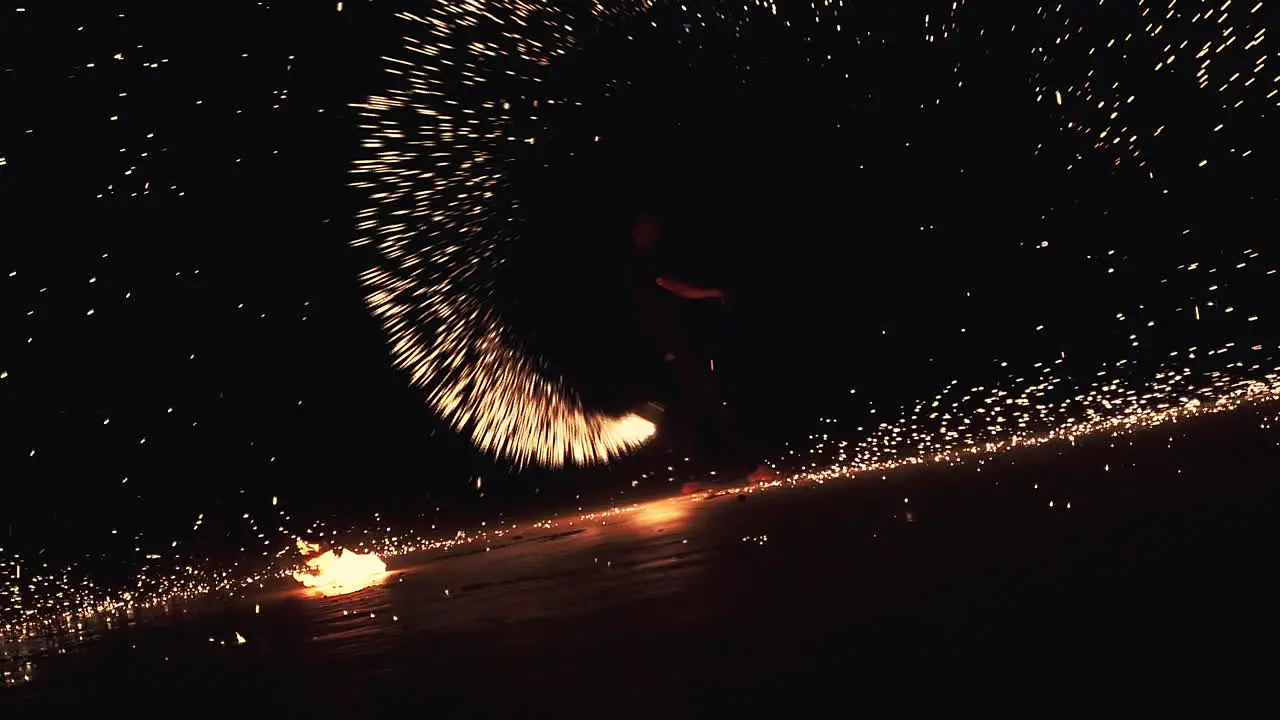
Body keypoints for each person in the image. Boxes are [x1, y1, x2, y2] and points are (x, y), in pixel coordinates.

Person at [627, 210, 776, 486]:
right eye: (649, 228)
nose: (655, 233)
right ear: (638, 231)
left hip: (674, 347)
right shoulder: (646, 264)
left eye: (656, 228)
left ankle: (690, 476)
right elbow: (676, 288)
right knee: (711, 404)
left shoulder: (644, 263)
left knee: (693, 411)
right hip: (677, 348)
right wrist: (714, 293)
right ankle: (749, 467)